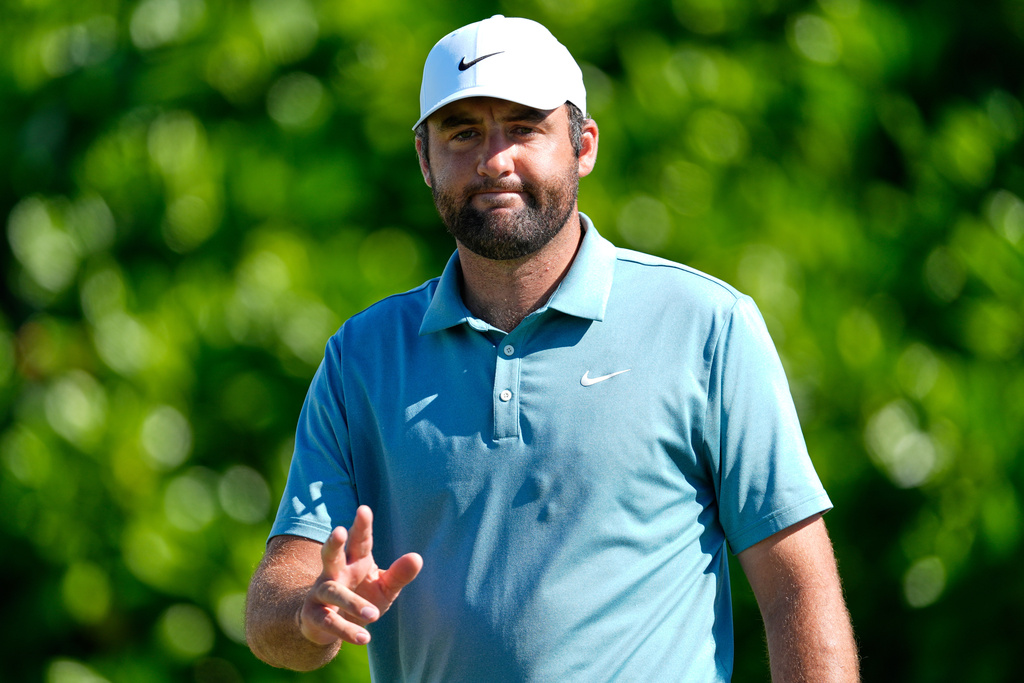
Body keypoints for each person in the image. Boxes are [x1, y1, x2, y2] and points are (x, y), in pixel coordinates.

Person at [245, 15, 859, 682]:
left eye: (525, 127)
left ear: (583, 144)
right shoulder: (362, 356)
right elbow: (276, 605)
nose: (494, 159)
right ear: (424, 159)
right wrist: (312, 609)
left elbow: (797, 583)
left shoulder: (705, 325)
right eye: (463, 133)